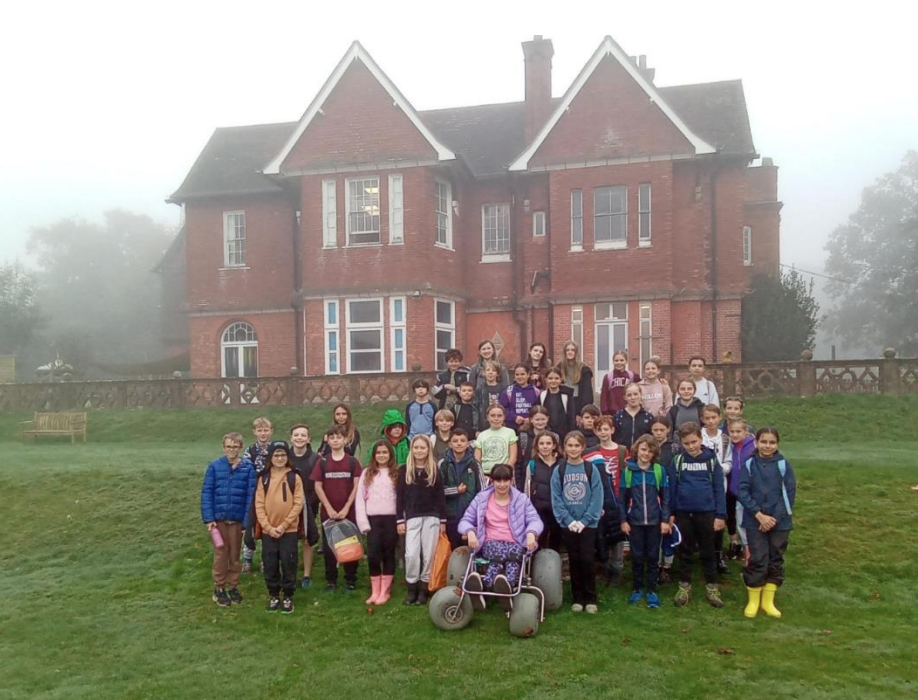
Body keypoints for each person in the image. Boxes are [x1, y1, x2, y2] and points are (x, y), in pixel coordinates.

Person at [460, 463, 543, 608]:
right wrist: (470, 532)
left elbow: (535, 520)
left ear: (511, 481)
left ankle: (489, 585)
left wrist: (531, 533)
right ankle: (505, 587)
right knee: (503, 554)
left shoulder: (521, 499)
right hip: (491, 542)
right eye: (498, 481)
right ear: (492, 481)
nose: (502, 485)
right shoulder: (481, 499)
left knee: (511, 557)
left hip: (515, 542)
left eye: (506, 480)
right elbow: (465, 520)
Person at [739, 427, 796, 619]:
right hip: (755, 521)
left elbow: (788, 493)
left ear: (777, 444)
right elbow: (743, 491)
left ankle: (768, 601)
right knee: (757, 558)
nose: (767, 446)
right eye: (764, 442)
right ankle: (753, 600)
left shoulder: (784, 465)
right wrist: (759, 515)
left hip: (779, 523)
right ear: (756, 442)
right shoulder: (749, 464)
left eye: (772, 442)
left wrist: (773, 519)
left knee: (775, 559)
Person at [668, 422, 727, 609]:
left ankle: (712, 587)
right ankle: (684, 586)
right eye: (687, 443)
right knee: (685, 550)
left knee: (708, 551)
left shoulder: (711, 460)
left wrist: (720, 515)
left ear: (701, 439)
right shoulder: (678, 461)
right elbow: (671, 489)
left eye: (694, 442)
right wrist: (670, 514)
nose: (691, 446)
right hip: (683, 513)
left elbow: (719, 488)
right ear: (682, 443)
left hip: (707, 512)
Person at [200, 432, 256, 607]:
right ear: (223, 447)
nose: (232, 450)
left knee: (235, 554)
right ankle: (219, 587)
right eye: (228, 446)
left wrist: (247, 522)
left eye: (235, 446)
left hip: (237, 520)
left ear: (240, 448)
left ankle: (233, 585)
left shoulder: (248, 468)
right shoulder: (215, 467)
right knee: (221, 554)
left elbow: (250, 496)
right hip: (219, 520)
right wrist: (209, 518)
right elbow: (206, 493)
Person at [551, 431, 604, 614]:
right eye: (570, 445)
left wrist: (585, 520)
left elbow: (597, 497)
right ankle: (577, 597)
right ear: (564, 448)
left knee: (587, 559)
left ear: (582, 447)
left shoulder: (591, 469)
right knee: (574, 560)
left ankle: (591, 598)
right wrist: (568, 520)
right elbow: (556, 498)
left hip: (588, 525)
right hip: (569, 524)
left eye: (576, 445)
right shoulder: (560, 469)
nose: (573, 449)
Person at [620, 435, 671, 609]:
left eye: (650, 451)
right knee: (637, 556)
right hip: (635, 521)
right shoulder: (628, 471)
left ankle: (651, 590)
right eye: (643, 449)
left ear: (654, 453)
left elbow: (665, 498)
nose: (646, 454)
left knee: (653, 556)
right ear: (636, 450)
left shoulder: (658, 470)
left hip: (655, 522)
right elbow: (622, 499)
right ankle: (637, 588)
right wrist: (623, 520)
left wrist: (665, 520)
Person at [254, 441, 305, 614]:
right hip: (269, 531)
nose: (280, 458)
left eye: (283, 455)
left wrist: (284, 525)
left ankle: (288, 595)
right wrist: (268, 527)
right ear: (270, 457)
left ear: (288, 457)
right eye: (276, 455)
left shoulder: (294, 477)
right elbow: (259, 505)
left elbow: (298, 504)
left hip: (288, 530)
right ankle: (274, 594)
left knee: (289, 562)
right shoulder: (264, 478)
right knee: (270, 563)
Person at [311, 425, 362, 593]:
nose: (335, 440)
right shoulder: (322, 462)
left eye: (338, 437)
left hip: (349, 513)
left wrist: (347, 507)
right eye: (331, 437)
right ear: (327, 440)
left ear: (345, 439)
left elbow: (357, 486)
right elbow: (318, 486)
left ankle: (350, 580)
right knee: (329, 549)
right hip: (329, 514)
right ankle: (331, 581)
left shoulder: (352, 462)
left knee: (349, 546)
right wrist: (328, 507)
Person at [397, 435, 447, 605]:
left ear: (428, 450)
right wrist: (399, 520)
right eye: (416, 447)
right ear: (412, 450)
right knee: (411, 554)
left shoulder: (434, 470)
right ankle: (412, 588)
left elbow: (441, 497)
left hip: (432, 517)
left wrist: (443, 521)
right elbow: (400, 498)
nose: (419, 451)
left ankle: (423, 589)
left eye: (422, 448)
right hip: (412, 516)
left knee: (428, 554)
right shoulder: (404, 470)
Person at [584, 415, 628, 585]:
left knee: (617, 534)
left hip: (618, 497)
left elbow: (626, 473)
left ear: (612, 430)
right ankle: (604, 567)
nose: (603, 432)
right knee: (601, 533)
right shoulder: (592, 452)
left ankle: (618, 569)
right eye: (599, 429)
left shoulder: (622, 450)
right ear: (595, 431)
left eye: (606, 429)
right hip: (600, 499)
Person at [355, 440, 399, 606]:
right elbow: (359, 499)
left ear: (390, 455)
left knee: (388, 554)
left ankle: (385, 591)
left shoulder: (396, 473)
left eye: (385, 453)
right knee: (373, 555)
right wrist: (363, 523)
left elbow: (402, 499)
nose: (382, 455)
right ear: (374, 455)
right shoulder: (367, 473)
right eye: (378, 453)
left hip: (391, 520)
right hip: (373, 520)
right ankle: (375, 590)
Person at [701, 404, 733, 574]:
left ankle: (718, 556)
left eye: (713, 417)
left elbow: (729, 461)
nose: (711, 421)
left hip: (720, 484)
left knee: (719, 520)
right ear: (702, 419)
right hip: (702, 483)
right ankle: (704, 555)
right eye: (707, 418)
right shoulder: (699, 436)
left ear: (719, 418)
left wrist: (720, 469)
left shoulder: (725, 439)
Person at [439, 428, 483, 548]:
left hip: (469, 516)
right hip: (450, 515)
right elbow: (437, 491)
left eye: (462, 440)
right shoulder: (443, 464)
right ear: (450, 444)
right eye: (455, 441)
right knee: (453, 549)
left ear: (467, 443)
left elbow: (482, 491)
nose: (459, 443)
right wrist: (456, 490)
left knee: (469, 549)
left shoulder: (475, 464)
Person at [289, 423, 320, 589]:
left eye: (303, 435)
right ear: (291, 438)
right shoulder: (284, 457)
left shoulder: (315, 459)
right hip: (287, 507)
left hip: (309, 505)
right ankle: (290, 572)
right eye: (296, 435)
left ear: (308, 439)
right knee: (290, 539)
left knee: (307, 540)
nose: (299, 438)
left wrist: (309, 503)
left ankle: (306, 574)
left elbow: (318, 484)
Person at [242, 416, 273, 573]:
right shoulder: (250, 451)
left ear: (271, 431)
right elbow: (246, 470)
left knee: (267, 527)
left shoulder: (275, 448)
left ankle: (265, 560)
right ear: (254, 432)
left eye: (265, 430)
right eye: (260, 430)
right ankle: (247, 559)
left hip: (271, 493)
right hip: (255, 493)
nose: (263, 433)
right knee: (251, 527)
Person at [650, 416, 678, 582]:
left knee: (669, 532)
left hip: (671, 494)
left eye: (662, 430)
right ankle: (656, 565)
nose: (659, 433)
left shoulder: (674, 448)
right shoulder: (648, 447)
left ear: (668, 430)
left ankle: (667, 567)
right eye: (655, 430)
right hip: (652, 496)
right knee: (655, 534)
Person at [525, 430, 562, 551]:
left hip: (558, 508)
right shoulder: (532, 464)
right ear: (537, 446)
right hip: (539, 508)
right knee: (541, 536)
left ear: (554, 445)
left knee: (556, 537)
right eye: (542, 443)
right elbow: (527, 488)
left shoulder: (562, 464)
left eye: (548, 443)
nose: (545, 446)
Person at [727, 418, 756, 561]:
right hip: (737, 493)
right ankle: (748, 558)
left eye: (738, 431)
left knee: (752, 525)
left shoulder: (753, 447)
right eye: (732, 431)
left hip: (751, 493)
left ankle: (753, 558)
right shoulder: (729, 447)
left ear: (746, 432)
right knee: (741, 525)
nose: (735, 434)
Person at [474, 404, 519, 478]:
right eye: (493, 415)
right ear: (487, 417)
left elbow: (513, 457)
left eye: (499, 416)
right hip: (485, 475)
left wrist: (505, 472)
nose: (496, 419)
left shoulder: (510, 432)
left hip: (504, 474)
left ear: (504, 417)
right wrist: (482, 475)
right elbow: (477, 459)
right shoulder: (481, 435)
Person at [557, 341, 595, 420]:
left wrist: (581, 413)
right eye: (567, 350)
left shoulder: (584, 370)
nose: (570, 352)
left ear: (576, 352)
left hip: (577, 404)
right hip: (561, 403)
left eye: (572, 350)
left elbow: (587, 394)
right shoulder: (558, 368)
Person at [517, 406, 551, 490]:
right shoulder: (523, 437)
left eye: (543, 419)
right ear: (531, 420)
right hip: (526, 478)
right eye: (537, 420)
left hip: (546, 479)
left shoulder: (553, 436)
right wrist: (518, 483)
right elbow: (518, 462)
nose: (540, 422)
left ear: (547, 419)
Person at [538, 367, 576, 439]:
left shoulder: (567, 396)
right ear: (546, 379)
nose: (553, 381)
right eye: (550, 378)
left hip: (564, 433)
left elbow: (571, 416)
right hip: (546, 434)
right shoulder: (542, 395)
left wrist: (571, 433)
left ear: (561, 379)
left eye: (556, 378)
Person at [614, 383, 655, 448]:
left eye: (635, 394)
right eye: (629, 395)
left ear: (640, 395)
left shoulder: (648, 417)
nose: (633, 397)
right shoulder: (618, 416)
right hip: (622, 454)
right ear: (625, 397)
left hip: (642, 454)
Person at [600, 350, 641, 415]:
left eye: (622, 360)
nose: (619, 363)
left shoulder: (633, 376)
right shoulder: (608, 377)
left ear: (626, 361)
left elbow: (642, 388)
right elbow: (604, 397)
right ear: (613, 362)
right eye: (616, 360)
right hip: (613, 413)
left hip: (630, 413)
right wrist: (606, 413)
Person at [500, 363, 539, 431]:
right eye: (517, 374)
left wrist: (531, 418)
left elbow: (538, 409)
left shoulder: (536, 391)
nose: (519, 377)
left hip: (530, 428)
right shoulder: (509, 390)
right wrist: (514, 417)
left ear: (528, 375)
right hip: (512, 427)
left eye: (522, 374)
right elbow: (502, 408)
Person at [667, 378, 705, 446]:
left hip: (698, 447)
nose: (686, 391)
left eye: (689, 389)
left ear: (694, 390)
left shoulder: (701, 408)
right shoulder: (673, 411)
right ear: (678, 391)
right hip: (678, 447)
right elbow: (669, 433)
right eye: (682, 389)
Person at [473, 360, 508, 431]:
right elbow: (475, 409)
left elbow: (506, 407)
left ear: (497, 373)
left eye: (494, 370)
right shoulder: (479, 390)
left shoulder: (503, 389)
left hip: (501, 424)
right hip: (484, 425)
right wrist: (476, 428)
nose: (490, 372)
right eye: (488, 370)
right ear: (484, 373)